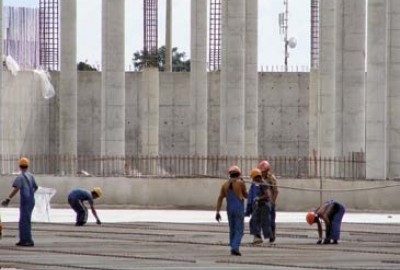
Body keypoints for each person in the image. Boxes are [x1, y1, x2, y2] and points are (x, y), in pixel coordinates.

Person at [1, 157, 38, 247]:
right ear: (27, 166)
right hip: (31, 201)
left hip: (25, 201)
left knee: (24, 221)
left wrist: (8, 198)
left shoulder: (20, 177)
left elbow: (16, 188)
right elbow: (36, 187)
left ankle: (27, 240)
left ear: (20, 166)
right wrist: (31, 194)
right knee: (26, 220)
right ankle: (24, 239)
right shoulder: (31, 176)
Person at [215, 165, 248, 256]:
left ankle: (233, 245)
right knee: (239, 229)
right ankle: (235, 247)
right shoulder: (240, 183)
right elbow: (245, 195)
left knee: (232, 229)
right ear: (239, 174)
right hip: (238, 209)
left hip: (229, 209)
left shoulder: (225, 185)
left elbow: (220, 198)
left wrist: (217, 212)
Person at [245, 168, 272, 244]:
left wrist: (259, 198)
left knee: (263, 222)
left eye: (253, 178)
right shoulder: (254, 184)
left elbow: (267, 195)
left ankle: (262, 237)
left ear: (257, 177)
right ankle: (257, 237)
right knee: (254, 221)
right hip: (257, 206)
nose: (252, 180)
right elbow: (251, 194)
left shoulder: (263, 184)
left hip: (263, 206)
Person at [258, 160, 278, 242]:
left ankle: (272, 235)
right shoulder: (259, 178)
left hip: (270, 202)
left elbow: (276, 191)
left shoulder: (271, 178)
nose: (262, 173)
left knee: (271, 220)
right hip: (262, 202)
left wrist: (272, 202)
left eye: (264, 171)